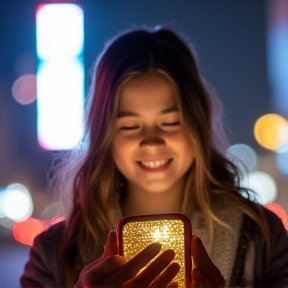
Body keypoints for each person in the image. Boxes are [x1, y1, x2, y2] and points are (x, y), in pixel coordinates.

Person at [20, 27, 288, 288]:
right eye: (129, 126)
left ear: (198, 123)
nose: (151, 141)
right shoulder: (55, 252)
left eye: (170, 122)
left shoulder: (261, 236)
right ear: (104, 136)